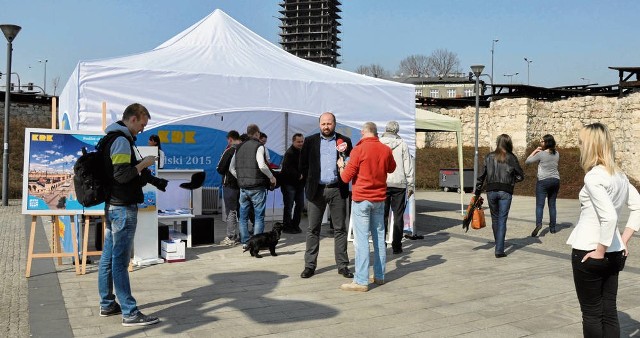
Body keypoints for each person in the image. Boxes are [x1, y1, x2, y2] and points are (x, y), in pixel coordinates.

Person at [567, 123, 640, 336]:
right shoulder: (619, 175)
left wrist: (599, 251)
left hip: (590, 250)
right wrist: (623, 240)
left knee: (591, 313)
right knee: (609, 311)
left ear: (590, 146)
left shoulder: (593, 177)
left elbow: (609, 216)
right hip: (615, 251)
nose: (579, 147)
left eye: (581, 143)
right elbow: (638, 206)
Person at [98, 103, 160, 326]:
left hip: (112, 205)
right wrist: (144, 163)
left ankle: (107, 304)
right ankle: (130, 313)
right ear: (133, 118)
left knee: (108, 256)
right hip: (122, 207)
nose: (143, 130)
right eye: (142, 124)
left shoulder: (109, 138)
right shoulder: (121, 141)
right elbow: (122, 175)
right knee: (120, 261)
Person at [338, 122, 396, 292]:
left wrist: (342, 166)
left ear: (363, 132)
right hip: (379, 198)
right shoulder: (385, 149)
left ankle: (361, 280)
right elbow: (392, 168)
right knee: (379, 238)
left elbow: (345, 178)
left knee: (361, 240)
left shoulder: (358, 149)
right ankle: (379, 275)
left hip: (362, 199)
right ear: (376, 133)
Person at [299, 112, 354, 279]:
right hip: (317, 191)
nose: (326, 127)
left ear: (335, 124)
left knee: (340, 229)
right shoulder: (310, 141)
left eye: (329, 123)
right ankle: (309, 266)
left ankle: (343, 265)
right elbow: (303, 165)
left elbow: (351, 164)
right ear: (319, 125)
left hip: (337, 189)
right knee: (312, 229)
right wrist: (311, 181)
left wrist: (343, 165)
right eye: (323, 124)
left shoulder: (344, 141)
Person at [475, 134, 524, 258]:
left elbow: (481, 175)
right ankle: (499, 249)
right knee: (502, 219)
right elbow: (520, 176)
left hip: (491, 190)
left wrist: (477, 191)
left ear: (498, 143)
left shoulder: (489, 156)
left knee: (495, 219)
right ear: (509, 143)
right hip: (505, 191)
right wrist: (511, 181)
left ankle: (499, 244)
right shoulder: (511, 157)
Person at [230, 124, 277, 248]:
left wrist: (240, 178)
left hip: (243, 188)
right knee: (258, 217)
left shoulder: (238, 147)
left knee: (243, 216)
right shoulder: (259, 146)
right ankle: (257, 243)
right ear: (257, 133)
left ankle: (245, 242)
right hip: (257, 187)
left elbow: (231, 168)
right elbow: (261, 165)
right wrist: (271, 177)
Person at [380, 121, 415, 254]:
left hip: (382, 182)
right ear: (397, 131)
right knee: (398, 215)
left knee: (381, 215)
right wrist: (410, 184)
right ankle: (397, 245)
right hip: (399, 184)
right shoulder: (403, 144)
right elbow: (408, 166)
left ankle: (381, 243)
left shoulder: (379, 142)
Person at [525, 134, 560, 237]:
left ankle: (538, 224)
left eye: (542, 141)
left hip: (543, 181)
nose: (540, 143)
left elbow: (527, 161)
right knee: (552, 205)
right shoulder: (557, 153)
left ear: (547, 143)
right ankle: (553, 228)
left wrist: (535, 151)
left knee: (540, 205)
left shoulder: (541, 154)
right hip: (555, 180)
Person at [216, 130, 241, 246]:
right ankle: (244, 235)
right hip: (244, 185)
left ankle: (231, 237)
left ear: (230, 139)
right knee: (243, 211)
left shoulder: (230, 150)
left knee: (231, 211)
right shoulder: (245, 150)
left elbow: (220, 168)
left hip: (230, 184)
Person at [280, 133, 305, 234]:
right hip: (288, 184)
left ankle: (295, 225)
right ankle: (287, 226)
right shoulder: (289, 153)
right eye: (298, 142)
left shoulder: (302, 152)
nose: (300, 143)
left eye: (302, 141)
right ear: (293, 141)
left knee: (300, 205)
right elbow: (286, 168)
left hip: (299, 184)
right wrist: (298, 175)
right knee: (289, 206)